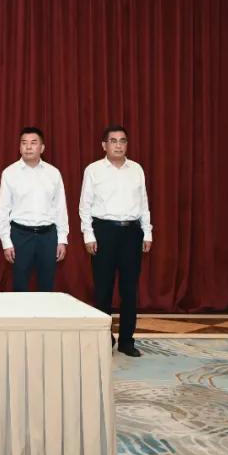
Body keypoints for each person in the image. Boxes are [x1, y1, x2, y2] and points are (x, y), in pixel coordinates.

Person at [79, 124, 153, 358]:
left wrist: (147, 232)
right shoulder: (93, 170)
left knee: (129, 290)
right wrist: (88, 235)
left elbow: (144, 203)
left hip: (131, 233)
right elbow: (85, 206)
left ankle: (127, 341)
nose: (118, 145)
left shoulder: (136, 169)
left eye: (122, 141)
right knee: (103, 289)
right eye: (113, 141)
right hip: (104, 232)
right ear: (104, 145)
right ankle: (104, 339)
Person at [0, 127, 69, 291]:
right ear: (19, 147)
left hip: (48, 236)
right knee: (20, 286)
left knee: (47, 286)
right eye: (24, 143)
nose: (28, 147)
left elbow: (60, 208)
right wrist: (6, 242)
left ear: (42, 148)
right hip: (20, 235)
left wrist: (62, 240)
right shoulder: (9, 173)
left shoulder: (53, 173)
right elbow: (3, 210)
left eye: (33, 143)